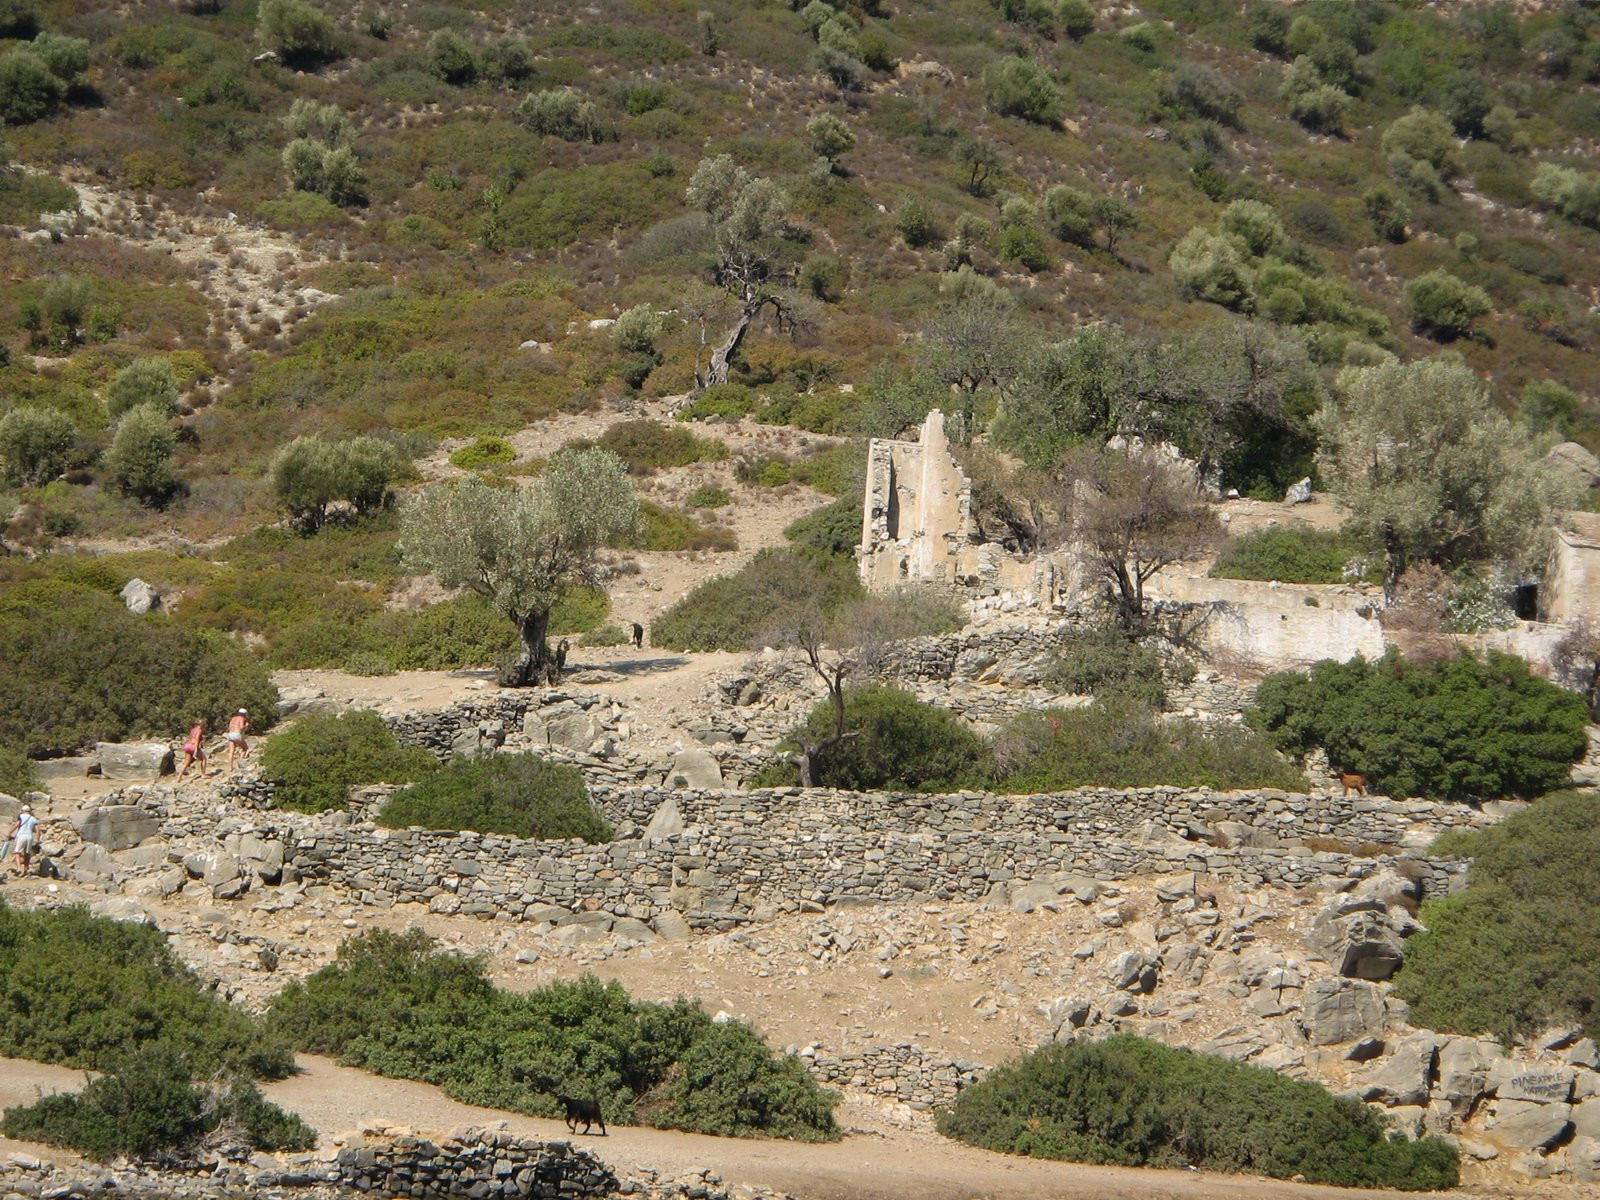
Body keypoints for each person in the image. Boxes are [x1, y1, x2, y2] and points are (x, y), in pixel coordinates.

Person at [7, 804, 38, 878]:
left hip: (21, 836)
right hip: (29, 836)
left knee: (17, 852)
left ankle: (18, 868)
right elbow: (38, 829)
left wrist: (10, 832)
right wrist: (38, 838)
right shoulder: (33, 818)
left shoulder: (21, 816)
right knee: (27, 853)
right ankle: (26, 869)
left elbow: (17, 825)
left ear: (23, 811)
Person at [176, 717, 208, 782]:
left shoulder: (193, 729)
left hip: (187, 745)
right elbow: (196, 739)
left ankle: (179, 777)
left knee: (186, 762)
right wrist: (196, 750)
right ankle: (203, 774)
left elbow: (190, 738)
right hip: (193, 746)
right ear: (201, 724)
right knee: (204, 759)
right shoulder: (199, 730)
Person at [225, 708, 251, 774]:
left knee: (231, 751)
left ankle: (230, 767)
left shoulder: (233, 718)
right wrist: (246, 726)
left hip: (230, 734)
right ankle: (240, 763)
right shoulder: (242, 718)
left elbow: (229, 727)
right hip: (236, 734)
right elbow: (241, 727)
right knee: (245, 748)